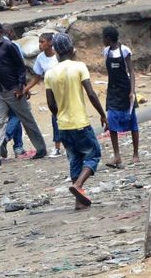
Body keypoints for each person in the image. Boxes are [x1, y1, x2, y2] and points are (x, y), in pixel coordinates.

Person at [44, 33, 107, 209]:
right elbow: (91, 93)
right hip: (80, 122)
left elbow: (50, 103)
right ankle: (78, 185)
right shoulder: (79, 67)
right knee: (93, 154)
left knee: (74, 159)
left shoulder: (49, 74)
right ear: (72, 48)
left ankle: (79, 201)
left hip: (63, 125)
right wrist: (102, 114)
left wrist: (59, 114)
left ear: (55, 51)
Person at [0, 21, 49, 160]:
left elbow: (20, 67)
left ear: (0, 32)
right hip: (0, 91)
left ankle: (40, 148)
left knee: (27, 119)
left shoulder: (9, 46)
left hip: (13, 90)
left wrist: (21, 87)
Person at [101, 26, 140, 167]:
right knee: (111, 121)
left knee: (132, 122)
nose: (102, 41)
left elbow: (131, 72)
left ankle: (135, 153)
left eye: (103, 38)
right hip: (112, 91)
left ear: (108, 39)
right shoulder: (106, 52)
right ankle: (117, 155)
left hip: (125, 91)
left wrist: (132, 91)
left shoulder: (124, 51)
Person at [26, 32, 64, 157]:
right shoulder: (40, 58)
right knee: (55, 117)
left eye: (42, 42)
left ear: (50, 43)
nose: (40, 45)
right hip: (51, 91)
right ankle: (57, 147)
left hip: (63, 89)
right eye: (39, 42)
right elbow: (37, 76)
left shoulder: (58, 56)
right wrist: (26, 88)